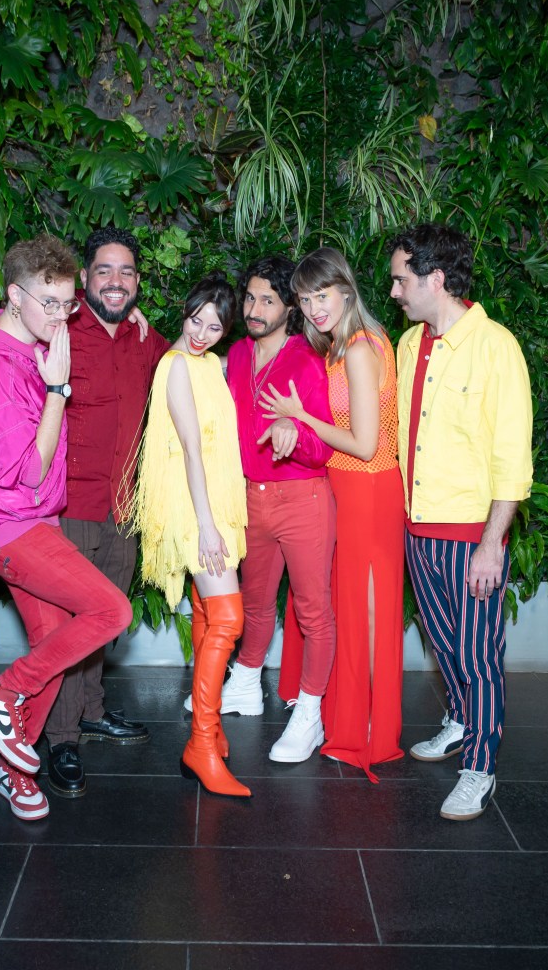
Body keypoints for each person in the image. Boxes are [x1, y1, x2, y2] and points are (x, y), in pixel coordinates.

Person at [0, 226, 167, 800]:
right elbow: (16, 454)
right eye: (51, 301)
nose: (60, 313)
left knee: (59, 642)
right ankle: (18, 709)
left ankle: (14, 764)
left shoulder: (110, 336)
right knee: (106, 612)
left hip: (88, 510)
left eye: (127, 272)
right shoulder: (40, 345)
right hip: (31, 516)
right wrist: (53, 393)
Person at [389, 222, 533, 821]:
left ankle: (479, 766)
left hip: (471, 535)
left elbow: (512, 455)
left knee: (478, 656)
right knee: (443, 643)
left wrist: (492, 543)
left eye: (401, 280)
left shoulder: (496, 346)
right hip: (417, 528)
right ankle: (460, 719)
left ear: (436, 279)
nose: (394, 291)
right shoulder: (408, 345)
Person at [261, 247, 405, 782]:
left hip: (368, 490)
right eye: (305, 300)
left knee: (365, 609)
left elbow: (365, 444)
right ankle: (345, 716)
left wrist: (301, 416)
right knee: (343, 605)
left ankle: (367, 730)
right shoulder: (343, 345)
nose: (314, 308)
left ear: (347, 290)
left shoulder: (362, 348)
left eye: (322, 295)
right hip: (344, 488)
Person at [209, 256, 336, 764]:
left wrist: (293, 431)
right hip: (250, 497)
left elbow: (324, 446)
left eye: (268, 300)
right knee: (256, 602)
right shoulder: (238, 353)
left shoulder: (307, 358)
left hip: (303, 497)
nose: (254, 309)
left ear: (290, 308)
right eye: (250, 297)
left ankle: (310, 713)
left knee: (312, 611)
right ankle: (245, 683)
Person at [131, 273, 251, 797]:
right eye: (196, 321)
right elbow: (191, 448)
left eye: (214, 327)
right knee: (229, 618)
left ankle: (212, 730)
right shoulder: (177, 365)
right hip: (193, 507)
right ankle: (201, 742)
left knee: (206, 614)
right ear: (185, 312)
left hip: (215, 501)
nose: (201, 333)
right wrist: (205, 525)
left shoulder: (207, 364)